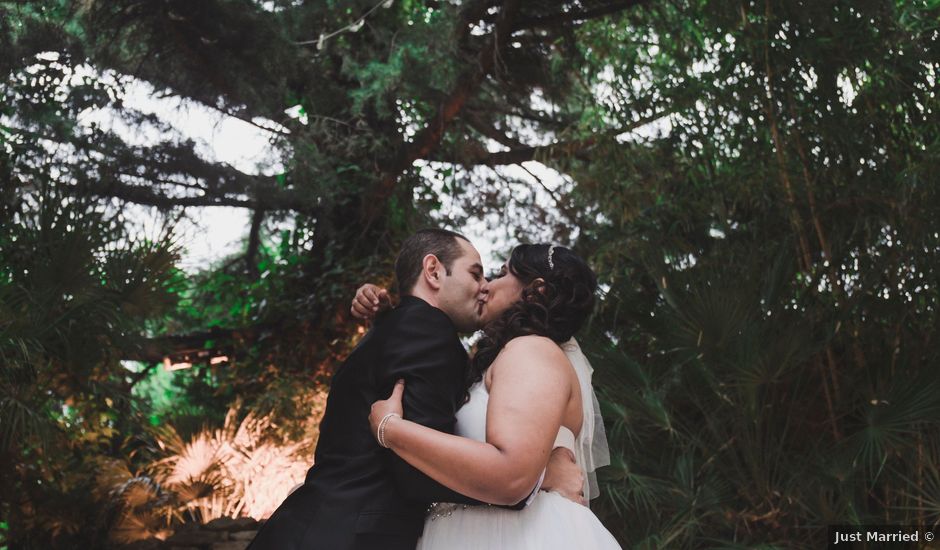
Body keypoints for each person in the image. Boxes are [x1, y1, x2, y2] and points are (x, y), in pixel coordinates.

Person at [247, 230, 583, 550]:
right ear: (434, 272)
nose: (485, 287)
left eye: (495, 274)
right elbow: (413, 469)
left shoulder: (411, 330)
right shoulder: (428, 332)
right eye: (477, 274)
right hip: (346, 535)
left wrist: (520, 477)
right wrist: (535, 480)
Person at [358, 243, 621, 549]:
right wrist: (386, 318)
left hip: (516, 535)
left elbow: (510, 475)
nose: (485, 286)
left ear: (536, 290)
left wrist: (391, 428)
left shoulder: (533, 351)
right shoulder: (500, 361)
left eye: (500, 273)